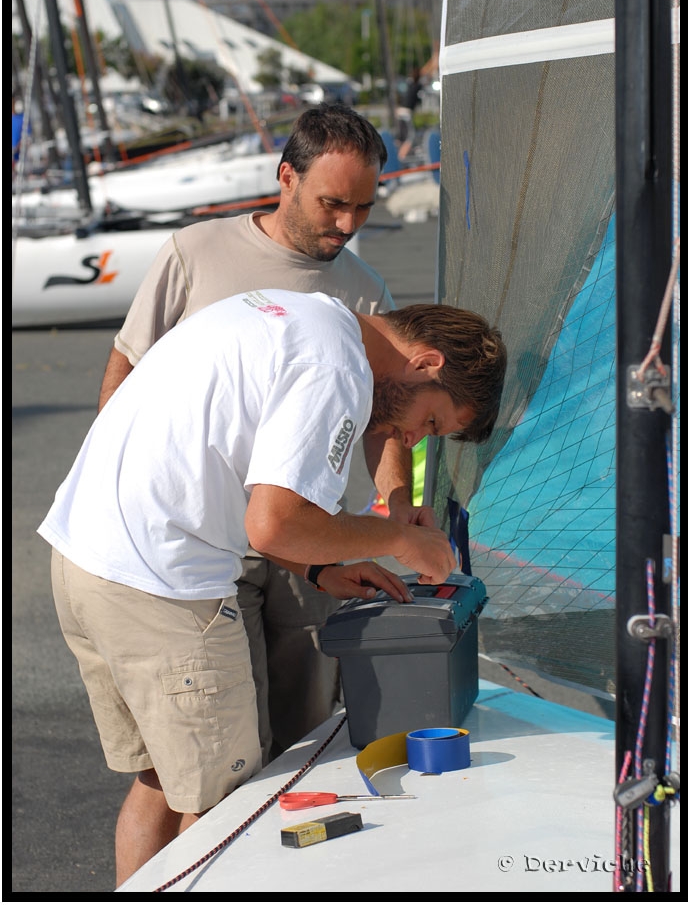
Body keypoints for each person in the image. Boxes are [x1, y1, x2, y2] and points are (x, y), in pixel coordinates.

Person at [39, 288, 507, 884]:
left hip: (86, 563)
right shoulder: (335, 366)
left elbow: (230, 480)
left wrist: (317, 569)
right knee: (223, 813)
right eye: (431, 421)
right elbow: (275, 521)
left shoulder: (297, 315)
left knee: (162, 781)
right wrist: (399, 540)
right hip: (164, 589)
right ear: (427, 362)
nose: (412, 439)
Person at [97, 103, 430, 767]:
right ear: (285, 176)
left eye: (363, 208)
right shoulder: (196, 251)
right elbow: (128, 367)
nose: (347, 224)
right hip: (196, 538)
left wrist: (395, 503)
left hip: (303, 533)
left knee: (304, 732)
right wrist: (113, 490)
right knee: (209, 755)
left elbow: (381, 420)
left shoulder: (362, 288)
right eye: (332, 203)